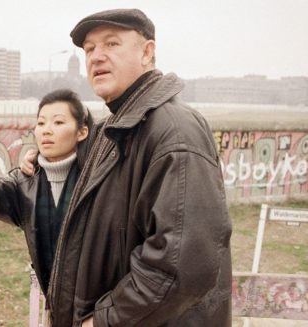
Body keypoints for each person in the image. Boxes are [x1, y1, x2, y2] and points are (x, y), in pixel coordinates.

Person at [22, 8, 232, 327]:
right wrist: (40, 160)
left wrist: (104, 320)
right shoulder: (113, 129)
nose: (96, 57)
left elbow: (182, 265)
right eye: (90, 49)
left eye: (112, 44)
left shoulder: (174, 132)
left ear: (147, 53)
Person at [0, 89, 93, 309]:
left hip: (100, 309)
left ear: (82, 132)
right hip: (55, 306)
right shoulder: (26, 181)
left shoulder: (99, 177)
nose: (47, 130)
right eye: (41, 123)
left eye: (58, 123)